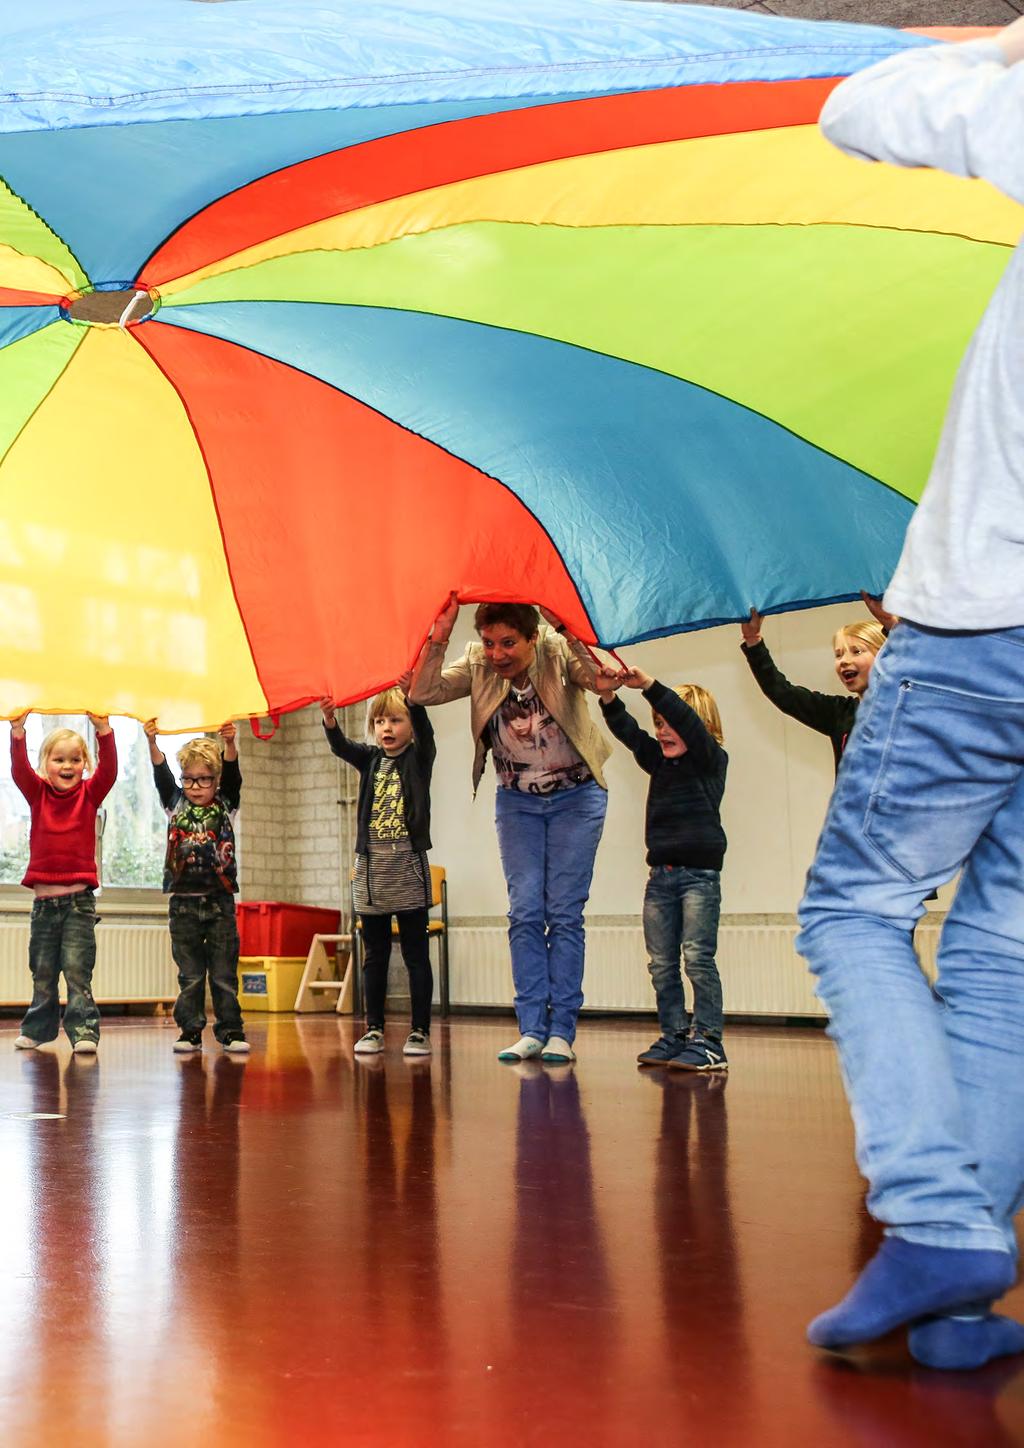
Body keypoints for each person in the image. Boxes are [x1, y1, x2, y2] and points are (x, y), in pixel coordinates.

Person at [795, 21, 1024, 1372]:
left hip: (980, 622)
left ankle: (932, 1220)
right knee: (1004, 948)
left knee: (856, 910)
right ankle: (957, 1294)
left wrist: (1002, 42)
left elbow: (858, 100)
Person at [409, 595, 613, 1064]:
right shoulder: (479, 663)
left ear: (532, 637)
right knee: (523, 912)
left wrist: (572, 627)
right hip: (517, 802)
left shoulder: (556, 649)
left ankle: (561, 1029)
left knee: (562, 912)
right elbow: (422, 692)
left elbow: (597, 678)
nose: (498, 653)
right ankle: (531, 1029)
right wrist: (439, 637)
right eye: (489, 642)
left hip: (575, 798)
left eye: (508, 643)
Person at [599, 666, 729, 1070]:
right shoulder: (660, 763)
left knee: (697, 958)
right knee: (661, 963)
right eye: (659, 724)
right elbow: (631, 734)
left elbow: (686, 722)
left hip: (698, 879)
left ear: (701, 728)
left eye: (673, 724)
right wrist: (608, 698)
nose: (664, 731)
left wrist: (652, 688)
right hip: (661, 879)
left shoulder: (710, 760)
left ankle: (709, 1041)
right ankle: (674, 1034)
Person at [321, 688, 436, 1057]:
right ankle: (373, 1028)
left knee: (416, 953)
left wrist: (415, 702)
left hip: (407, 867)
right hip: (371, 870)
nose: (387, 728)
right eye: (380, 721)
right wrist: (329, 720)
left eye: (395, 720)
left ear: (410, 726)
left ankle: (419, 1030)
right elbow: (341, 746)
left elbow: (427, 733)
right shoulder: (370, 759)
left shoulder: (419, 757)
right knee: (376, 953)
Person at [10, 714, 117, 1054]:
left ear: (85, 763)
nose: (67, 765)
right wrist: (17, 732)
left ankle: (84, 1030)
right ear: (46, 764)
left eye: (75, 759)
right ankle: (38, 1029)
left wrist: (103, 731)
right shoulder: (37, 793)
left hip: (78, 905)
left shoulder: (89, 794)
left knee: (76, 970)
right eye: (59, 759)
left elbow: (110, 771)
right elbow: (18, 771)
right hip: (43, 906)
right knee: (42, 972)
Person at [144, 721, 249, 1054]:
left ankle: (230, 1030)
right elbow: (161, 774)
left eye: (203, 779)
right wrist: (151, 741)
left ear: (215, 780)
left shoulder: (226, 803)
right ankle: (189, 1030)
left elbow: (234, 775)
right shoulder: (175, 804)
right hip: (183, 904)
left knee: (222, 974)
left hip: (219, 902)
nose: (195, 786)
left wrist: (229, 745)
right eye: (188, 779)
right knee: (190, 975)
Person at [740, 605, 889, 773]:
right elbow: (782, 693)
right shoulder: (840, 713)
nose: (844, 661)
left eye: (857, 651)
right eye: (838, 654)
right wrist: (752, 639)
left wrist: (894, 629)